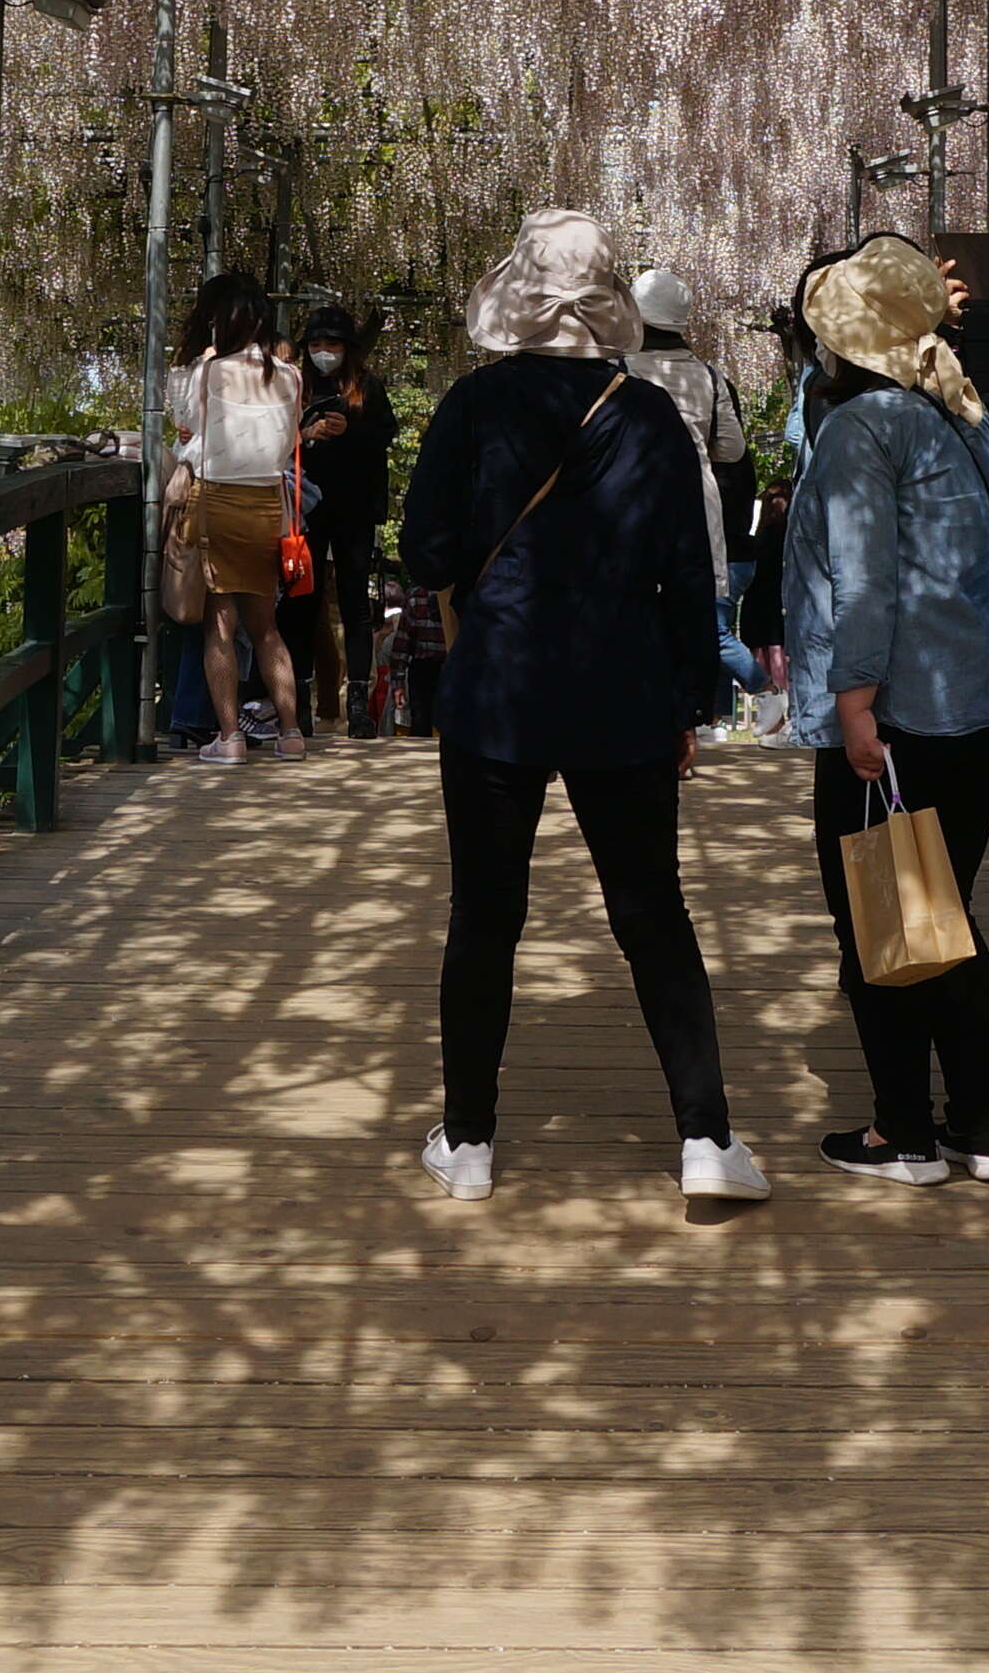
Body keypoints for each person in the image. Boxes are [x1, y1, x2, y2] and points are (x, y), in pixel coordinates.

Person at [393, 207, 767, 1209]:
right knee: (652, 914)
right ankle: (704, 1140)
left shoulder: (473, 406)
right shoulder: (644, 413)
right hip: (622, 688)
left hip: (498, 690)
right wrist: (695, 700)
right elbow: (689, 576)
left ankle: (467, 1141)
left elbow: (422, 552)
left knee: (485, 916)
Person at [782, 235, 989, 1185]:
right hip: (983, 700)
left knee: (880, 917)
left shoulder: (863, 426)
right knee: (943, 914)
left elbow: (866, 581)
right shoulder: (963, 413)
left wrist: (853, 708)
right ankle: (979, 1126)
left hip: (902, 711)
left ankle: (903, 1131)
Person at [169, 270, 305, 763]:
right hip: (268, 504)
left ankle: (230, 737)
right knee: (267, 627)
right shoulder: (290, 375)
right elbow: (290, 440)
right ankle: (291, 733)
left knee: (219, 626)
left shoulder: (209, 371)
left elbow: (183, 423)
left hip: (218, 503)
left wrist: (202, 359)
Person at [621, 266, 758, 712]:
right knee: (692, 614)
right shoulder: (709, 375)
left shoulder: (617, 369)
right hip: (697, 502)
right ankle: (685, 716)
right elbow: (732, 450)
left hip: (630, 501)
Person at [291, 304, 400, 739]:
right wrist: (306, 433)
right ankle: (297, 698)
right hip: (306, 507)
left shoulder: (367, 388)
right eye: (315, 345)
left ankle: (358, 701)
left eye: (331, 345)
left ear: (347, 349)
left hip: (354, 508)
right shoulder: (295, 386)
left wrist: (348, 428)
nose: (323, 353)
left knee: (356, 602)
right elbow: (276, 439)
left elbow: (384, 436)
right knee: (302, 601)